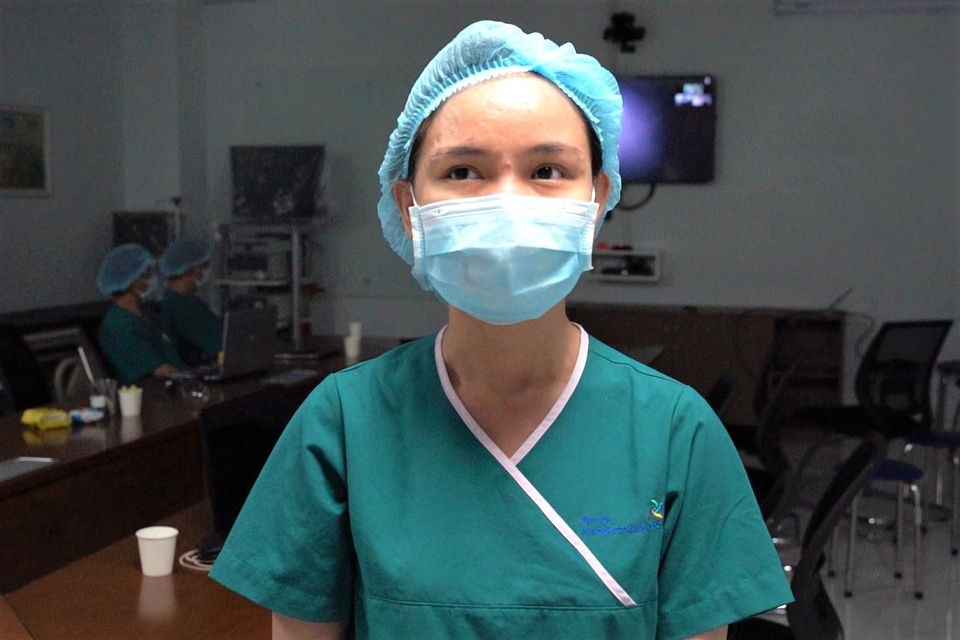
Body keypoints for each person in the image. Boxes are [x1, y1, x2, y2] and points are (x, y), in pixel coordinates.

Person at [210, 21, 793, 640]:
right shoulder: (343, 423)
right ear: (410, 208)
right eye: (464, 171)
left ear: (597, 201)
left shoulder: (676, 430)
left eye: (548, 169)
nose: (509, 203)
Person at [96, 243, 184, 385]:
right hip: (152, 393)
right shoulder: (119, 326)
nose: (153, 278)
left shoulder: (148, 316)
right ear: (131, 280)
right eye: (146, 274)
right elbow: (160, 371)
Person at [158, 237, 223, 365]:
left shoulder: (176, 300)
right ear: (189, 270)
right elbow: (220, 344)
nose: (207, 271)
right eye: (204, 266)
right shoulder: (183, 307)